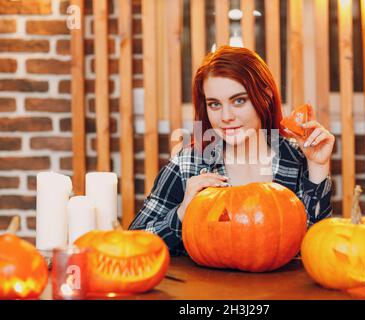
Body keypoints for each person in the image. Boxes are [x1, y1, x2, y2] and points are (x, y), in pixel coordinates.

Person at [129, 46, 335, 256]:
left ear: (265, 96)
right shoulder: (187, 165)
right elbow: (133, 246)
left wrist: (318, 168)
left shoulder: (297, 158)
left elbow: (318, 248)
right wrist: (182, 212)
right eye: (215, 104)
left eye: (239, 100)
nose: (226, 116)